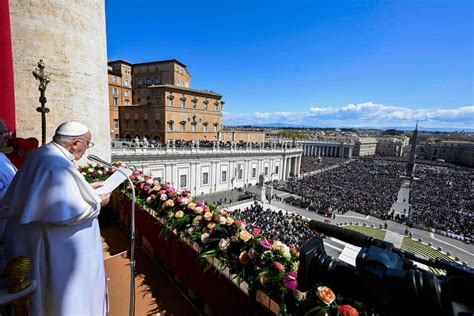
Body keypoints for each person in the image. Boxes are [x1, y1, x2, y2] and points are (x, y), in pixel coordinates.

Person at [0, 121, 111, 315]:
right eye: (87, 143)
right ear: (75, 143)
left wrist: (86, 189)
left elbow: (53, 194)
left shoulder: (45, 154)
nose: (86, 149)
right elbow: (66, 212)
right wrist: (97, 202)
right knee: (61, 299)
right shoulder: (55, 163)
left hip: (33, 238)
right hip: (53, 246)